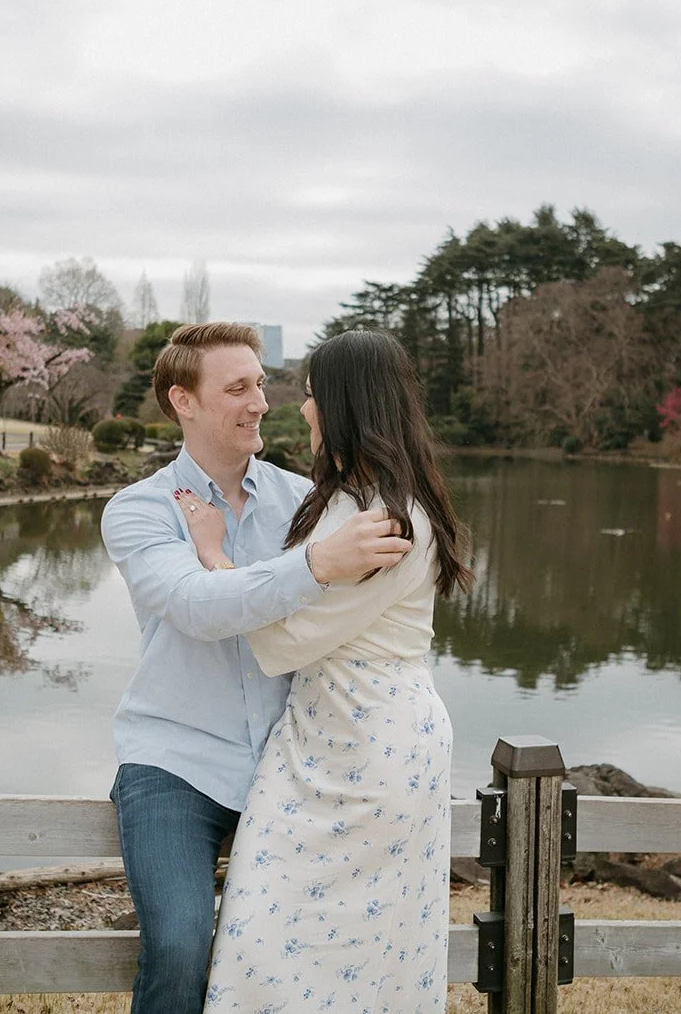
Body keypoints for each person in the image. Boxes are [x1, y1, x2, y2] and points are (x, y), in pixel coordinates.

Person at [101, 322, 415, 1014]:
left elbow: (358, 609)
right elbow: (194, 605)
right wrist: (313, 565)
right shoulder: (139, 509)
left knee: (308, 946)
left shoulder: (302, 499)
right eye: (238, 387)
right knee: (182, 945)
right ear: (183, 400)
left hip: (293, 763)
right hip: (175, 761)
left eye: (262, 383)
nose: (260, 402)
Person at [178, 329, 474, 1013]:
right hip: (334, 730)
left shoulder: (384, 518)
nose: (300, 410)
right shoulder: (354, 497)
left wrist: (216, 557)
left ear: (343, 404)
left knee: (339, 941)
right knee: (299, 934)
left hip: (369, 744)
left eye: (310, 396)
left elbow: (287, 642)